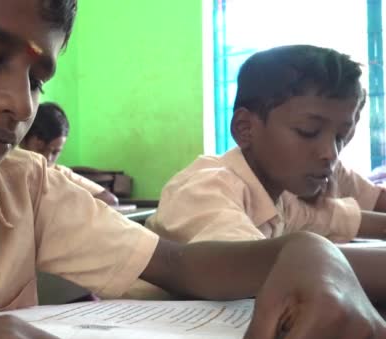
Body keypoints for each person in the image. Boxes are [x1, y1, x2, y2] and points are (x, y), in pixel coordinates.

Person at [0, 4, 384, 339]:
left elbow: (177, 264)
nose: (20, 103)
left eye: (38, 79)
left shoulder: (31, 188)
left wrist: (305, 251)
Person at [146, 44, 386, 245]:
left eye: (340, 137)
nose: (330, 154)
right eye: (308, 131)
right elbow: (256, 265)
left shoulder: (281, 199)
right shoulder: (206, 189)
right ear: (245, 128)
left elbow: (336, 218)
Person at [20, 102, 119, 205]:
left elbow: (110, 200)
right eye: (40, 149)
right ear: (22, 141)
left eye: (55, 152)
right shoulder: (9, 172)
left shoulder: (60, 174)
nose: (47, 158)